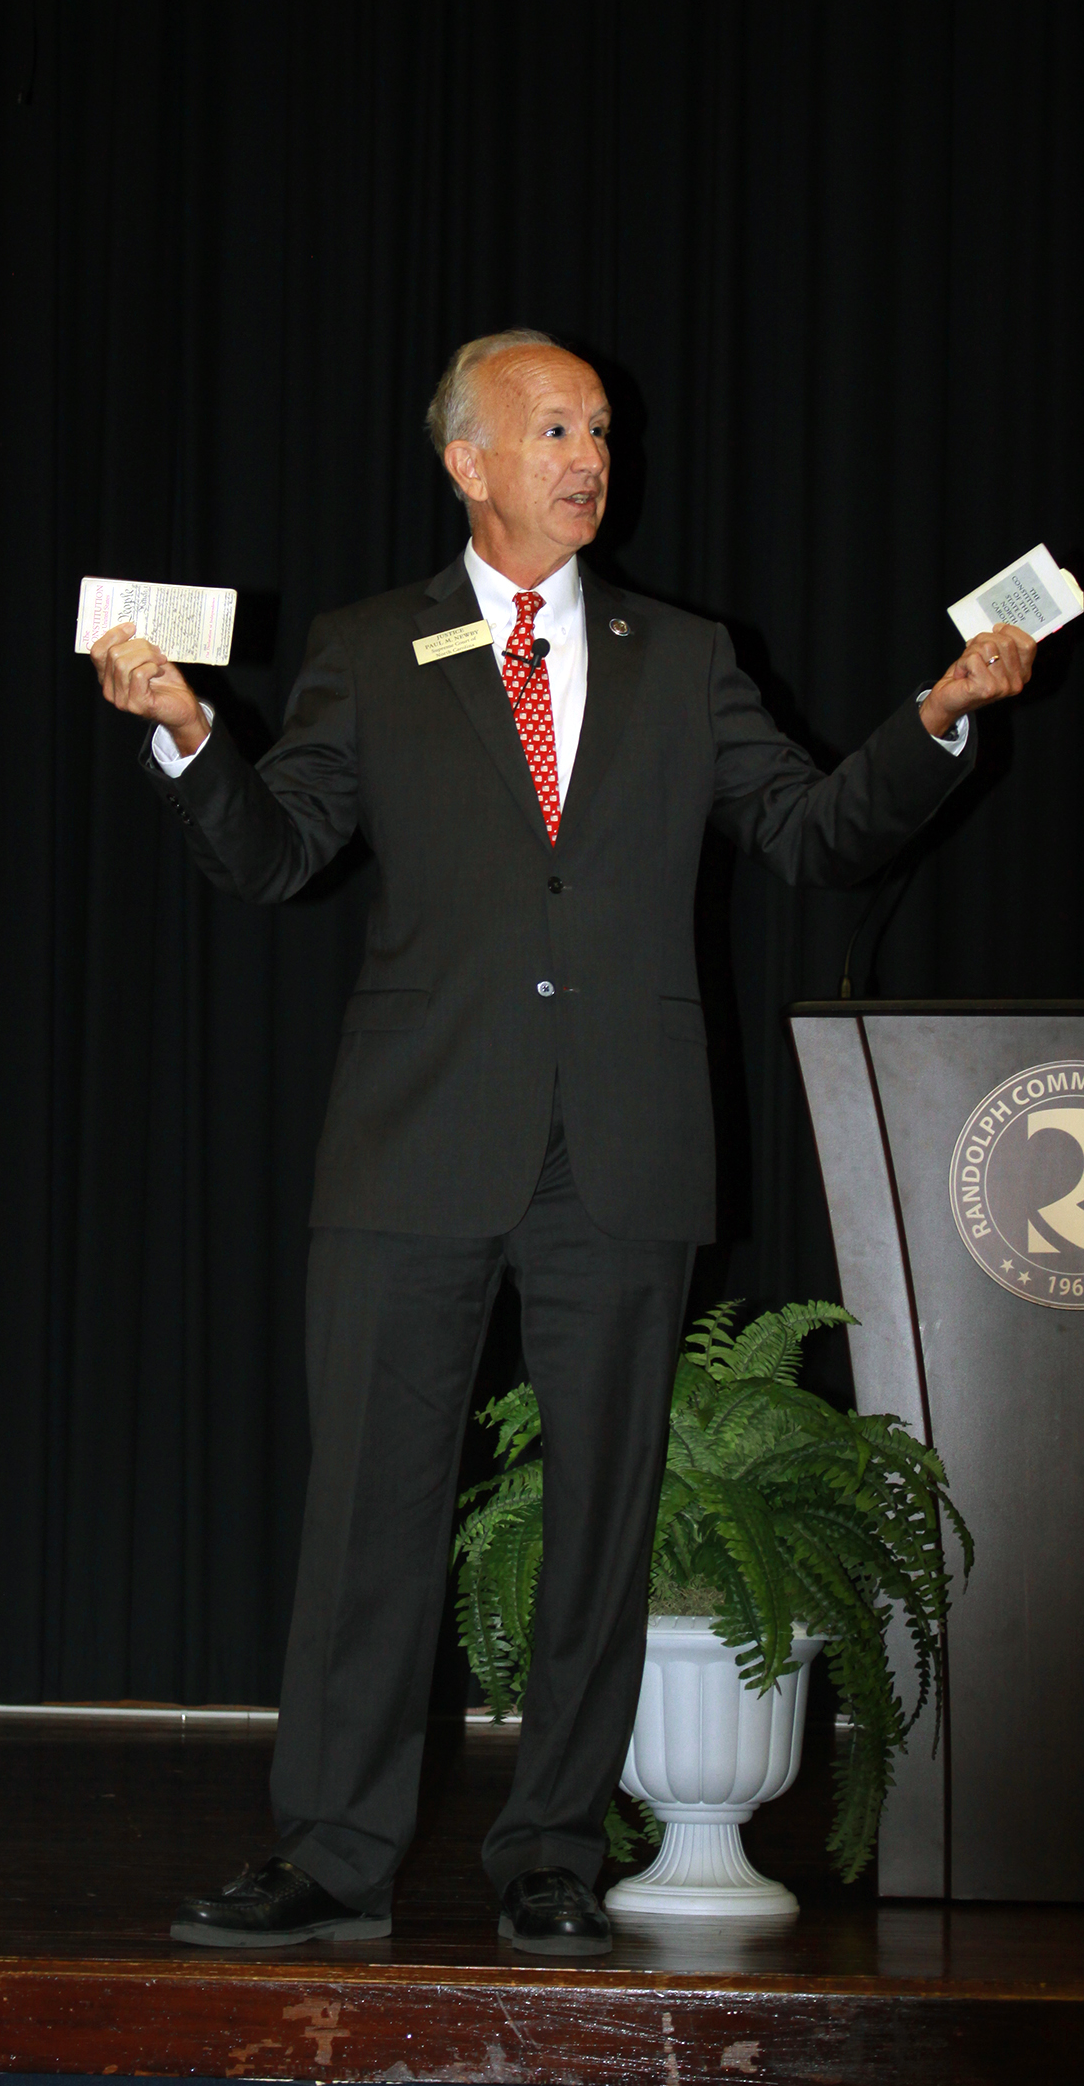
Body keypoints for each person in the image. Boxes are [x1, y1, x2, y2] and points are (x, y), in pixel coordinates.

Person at [90, 329, 1036, 1957]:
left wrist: (936, 722)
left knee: (603, 1514)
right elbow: (279, 854)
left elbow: (811, 833)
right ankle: (330, 1853)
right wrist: (188, 737)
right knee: (368, 1516)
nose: (588, 455)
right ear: (467, 463)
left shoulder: (685, 656)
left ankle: (550, 1850)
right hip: (414, 1141)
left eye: (599, 428)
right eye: (551, 429)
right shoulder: (368, 649)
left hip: (626, 1140)